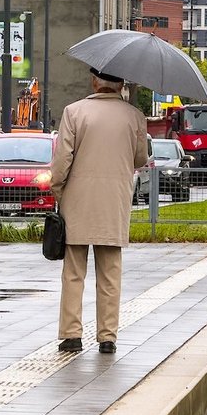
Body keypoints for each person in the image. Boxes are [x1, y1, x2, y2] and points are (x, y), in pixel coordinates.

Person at [50, 68, 148, 354]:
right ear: (121, 85)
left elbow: (62, 160)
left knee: (73, 271)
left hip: (77, 199)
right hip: (114, 201)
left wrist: (60, 191)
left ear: (95, 81)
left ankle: (71, 334)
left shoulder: (74, 112)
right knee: (110, 272)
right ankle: (108, 337)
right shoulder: (134, 116)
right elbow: (140, 158)